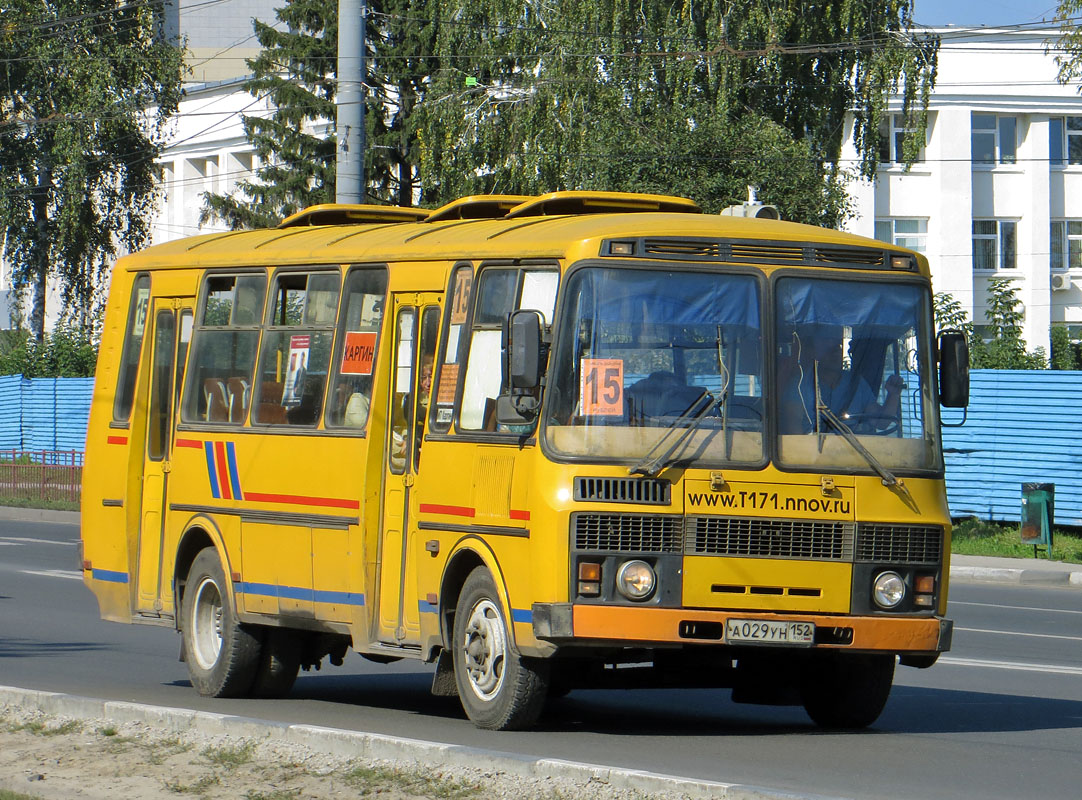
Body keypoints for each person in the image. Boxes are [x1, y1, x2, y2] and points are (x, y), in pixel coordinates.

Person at [780, 329, 903, 434]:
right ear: (814, 353)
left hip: (853, 455)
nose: (836, 353)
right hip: (814, 456)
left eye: (838, 348)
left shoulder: (857, 383)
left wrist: (893, 394)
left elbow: (881, 423)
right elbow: (794, 432)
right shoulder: (800, 386)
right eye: (829, 350)